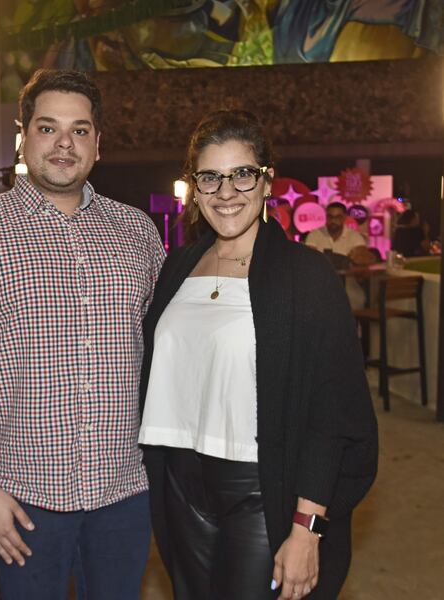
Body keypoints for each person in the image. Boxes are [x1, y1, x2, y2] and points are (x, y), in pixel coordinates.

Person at [0, 69, 165, 600]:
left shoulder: (138, 232)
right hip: (21, 497)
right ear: (22, 136)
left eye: (80, 130)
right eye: (48, 127)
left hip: (125, 490)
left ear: (98, 144)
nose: (63, 143)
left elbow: (167, 351)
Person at [139, 110, 378, 600]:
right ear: (195, 187)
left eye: (241, 175)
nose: (226, 193)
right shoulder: (177, 267)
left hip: (257, 489)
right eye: (211, 177)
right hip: (180, 483)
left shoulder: (304, 277)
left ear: (266, 181)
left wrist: (307, 527)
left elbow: (332, 413)